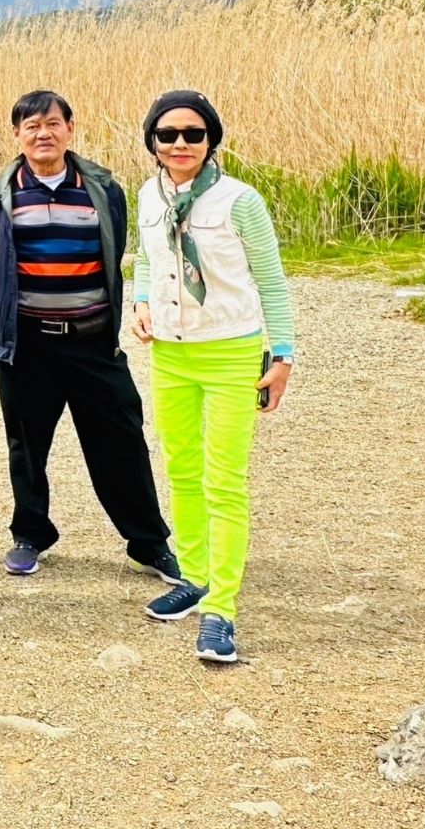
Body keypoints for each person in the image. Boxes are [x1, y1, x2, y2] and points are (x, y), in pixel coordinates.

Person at [0, 90, 183, 586]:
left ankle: (149, 543)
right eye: (30, 126)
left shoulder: (102, 189)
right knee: (27, 444)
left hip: (91, 341)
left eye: (52, 124)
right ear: (16, 135)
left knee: (122, 440)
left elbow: (118, 250)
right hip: (26, 346)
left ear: (70, 128)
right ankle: (30, 534)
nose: (42, 134)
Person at [130, 90, 295, 664]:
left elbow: (271, 279)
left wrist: (284, 356)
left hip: (230, 351)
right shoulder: (148, 195)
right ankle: (194, 575)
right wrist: (141, 301)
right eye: (168, 134)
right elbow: (148, 257)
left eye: (192, 134)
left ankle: (221, 609)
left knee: (224, 480)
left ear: (211, 140)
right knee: (181, 469)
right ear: (152, 140)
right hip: (172, 354)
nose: (180, 144)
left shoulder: (238, 200)